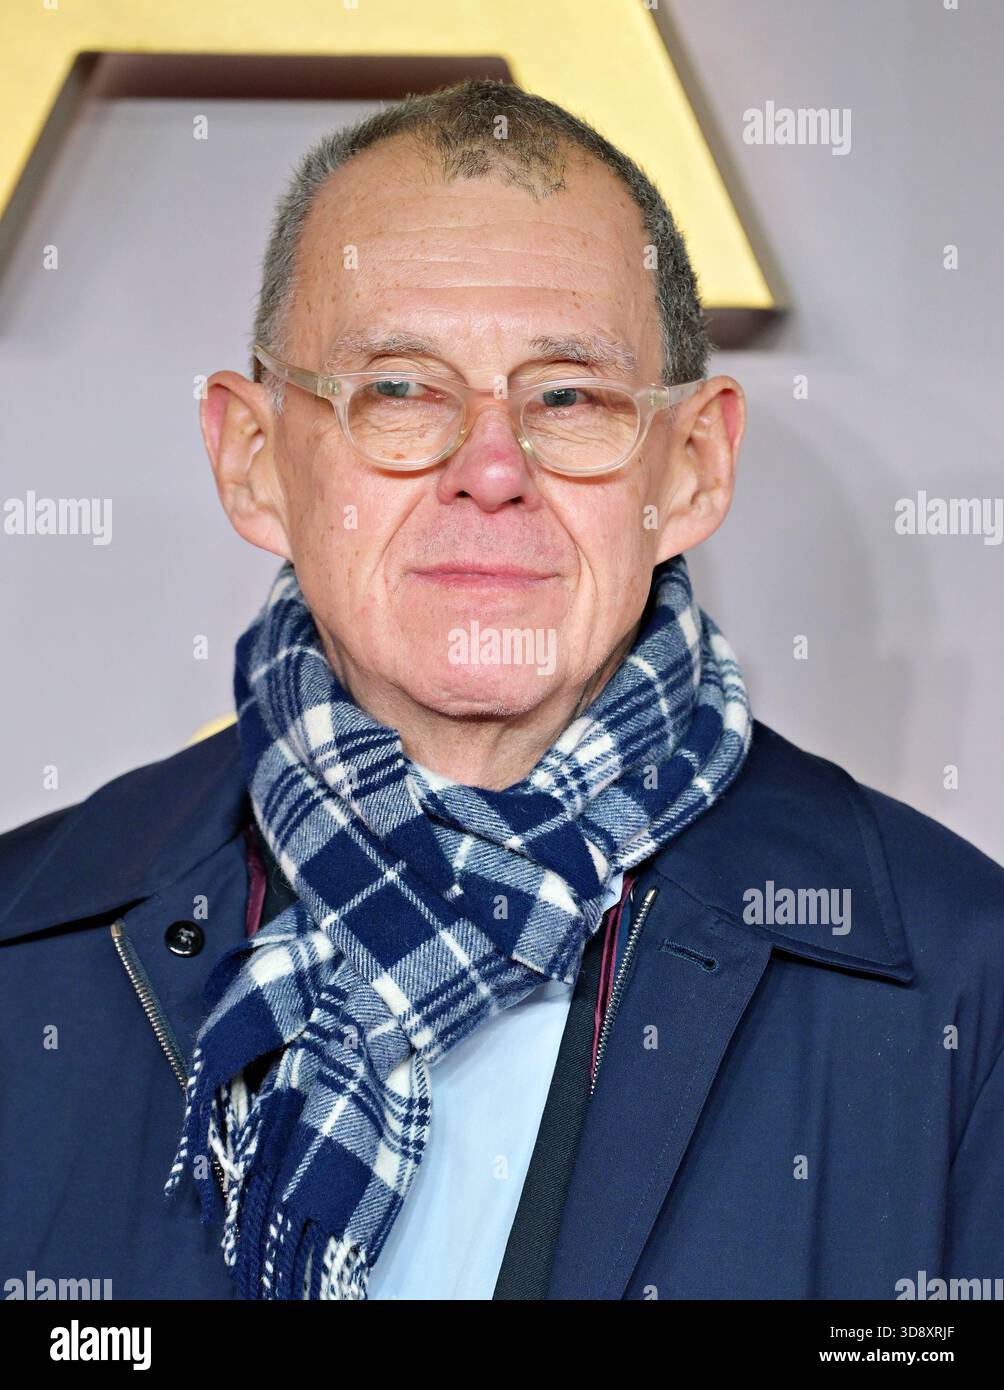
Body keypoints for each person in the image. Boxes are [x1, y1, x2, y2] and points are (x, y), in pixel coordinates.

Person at [1, 78, 1002, 1303]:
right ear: (252, 458)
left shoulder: (962, 982)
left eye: (567, 397)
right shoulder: (23, 952)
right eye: (399, 389)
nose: (490, 471)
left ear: (689, 464)